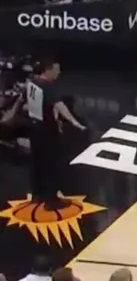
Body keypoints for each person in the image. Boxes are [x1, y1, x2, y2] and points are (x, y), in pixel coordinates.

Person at [24, 60, 86, 209]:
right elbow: (59, 105)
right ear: (48, 70)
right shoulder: (47, 86)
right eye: (56, 70)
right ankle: (51, 200)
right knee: (50, 164)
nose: (59, 73)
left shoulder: (32, 81)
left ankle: (37, 194)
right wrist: (74, 122)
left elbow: (29, 101)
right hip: (46, 130)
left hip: (34, 127)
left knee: (37, 163)